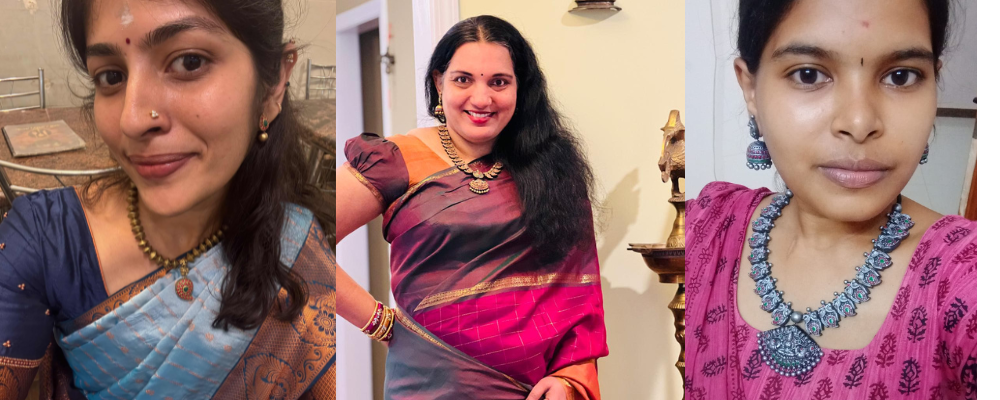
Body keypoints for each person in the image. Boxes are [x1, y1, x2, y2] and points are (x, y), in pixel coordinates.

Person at [0, 0, 336, 398]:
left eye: (189, 62)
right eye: (110, 76)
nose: (132, 119)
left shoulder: (301, 252)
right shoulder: (45, 241)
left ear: (274, 84)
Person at [685, 0, 976, 398]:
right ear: (750, 87)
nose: (859, 124)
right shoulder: (707, 228)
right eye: (809, 74)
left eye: (902, 76)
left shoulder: (966, 273)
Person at [337, 15, 608, 400]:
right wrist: (380, 323)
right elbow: (296, 240)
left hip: (530, 391)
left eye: (499, 82)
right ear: (438, 82)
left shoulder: (554, 171)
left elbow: (577, 297)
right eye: (463, 79)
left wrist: (569, 379)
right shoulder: (398, 160)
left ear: (520, 88)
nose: (481, 99)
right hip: (427, 384)